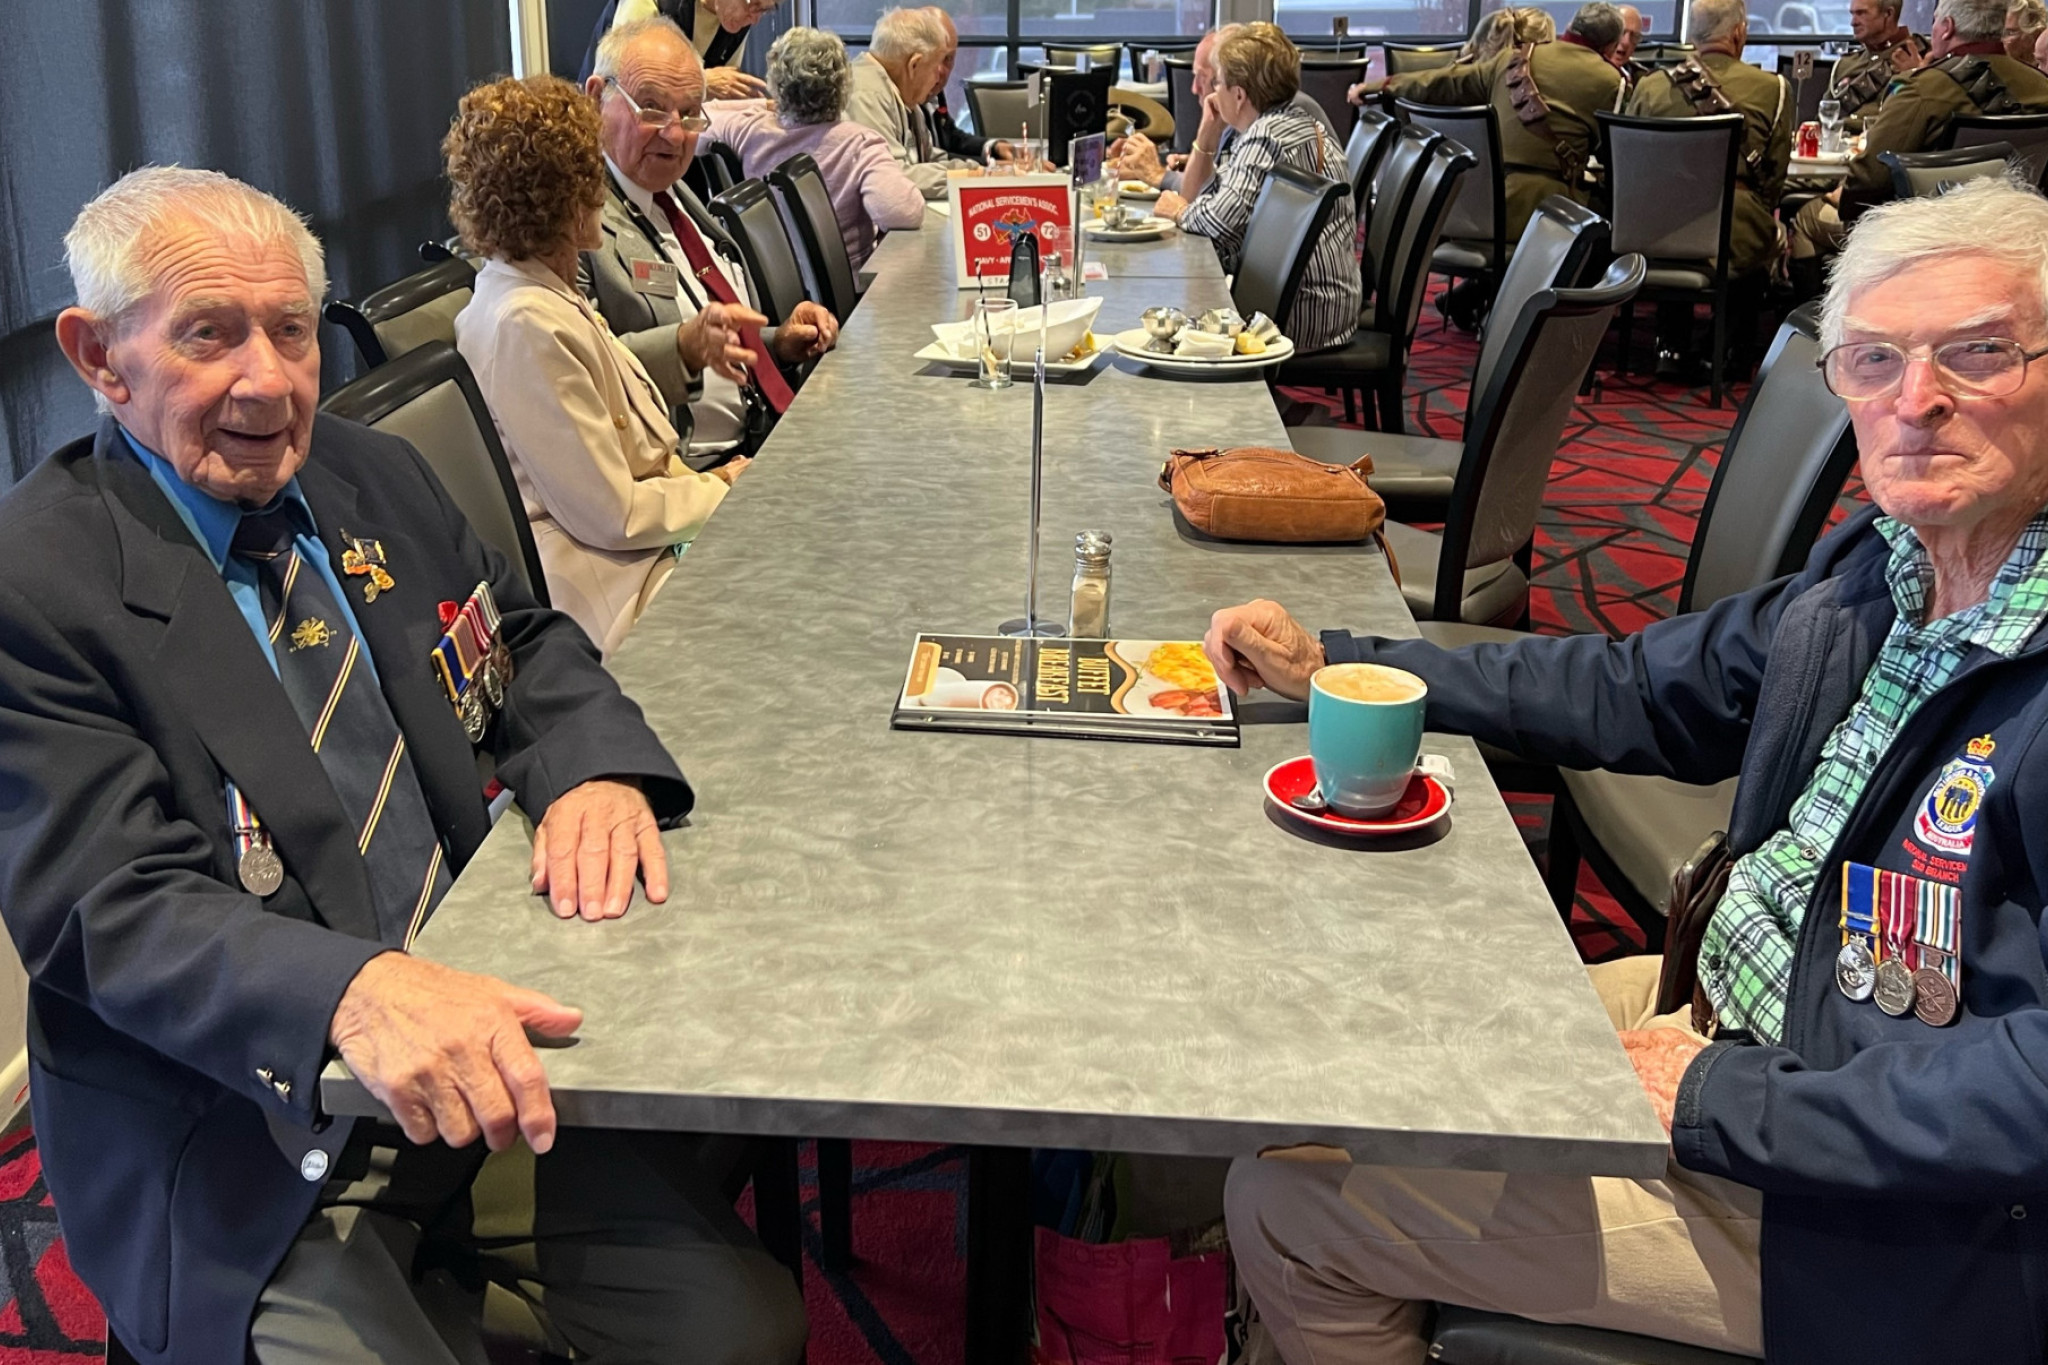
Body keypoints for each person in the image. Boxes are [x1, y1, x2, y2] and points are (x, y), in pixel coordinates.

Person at [1208, 175, 2048, 1365]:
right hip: (1730, 1022)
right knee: (1349, 1056)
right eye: (1871, 361)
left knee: (1290, 1202)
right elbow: (1642, 688)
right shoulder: (1885, 562)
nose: (1915, 401)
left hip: (1877, 1229)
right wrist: (1344, 668)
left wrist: (1718, 1101)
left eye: (1977, 353)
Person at [15, 164, 807, 1363]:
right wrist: (350, 990)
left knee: (737, 1335)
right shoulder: (35, 585)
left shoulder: (364, 471)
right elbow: (110, 909)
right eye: (208, 335)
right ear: (98, 355)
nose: (268, 382)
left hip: (479, 1046)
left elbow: (521, 642)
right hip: (245, 1128)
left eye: (289, 330)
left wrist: (586, 769)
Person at [451, 76, 741, 658]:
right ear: (559, 199)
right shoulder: (524, 324)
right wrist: (724, 487)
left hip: (643, 550)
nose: (602, 194)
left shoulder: (543, 294)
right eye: (591, 177)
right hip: (613, 591)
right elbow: (614, 516)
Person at [581, 16, 840, 469]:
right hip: (696, 472)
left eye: (688, 113)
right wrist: (683, 346)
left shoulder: (676, 193)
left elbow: (706, 327)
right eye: (652, 108)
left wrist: (776, 342)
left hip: (767, 437)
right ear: (598, 97)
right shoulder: (572, 226)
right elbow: (585, 377)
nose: (675, 133)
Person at [1789, 0, 2048, 274]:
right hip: (2018, 229)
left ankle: (1819, 314)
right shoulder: (2040, 86)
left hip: (1929, 234)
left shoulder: (1920, 89)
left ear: (1946, 28)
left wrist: (1838, 197)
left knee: (1805, 218)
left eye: (1935, 21)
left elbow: (1868, 181)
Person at [1159, 24, 1361, 354]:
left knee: (1173, 326)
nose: (1212, 93)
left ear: (1239, 95)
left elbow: (1218, 223)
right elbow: (1220, 199)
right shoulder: (1290, 121)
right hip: (1323, 303)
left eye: (1219, 83)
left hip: (1299, 315)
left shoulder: (1266, 136)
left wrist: (1179, 210)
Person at [1361, 3, 1627, 242]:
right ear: (1610, 46)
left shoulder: (1513, 58)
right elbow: (1615, 158)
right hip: (1550, 217)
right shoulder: (1612, 81)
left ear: (1570, 26)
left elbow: (1446, 82)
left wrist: (1383, 84)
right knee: (1608, 230)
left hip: (1473, 206)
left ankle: (1480, 289)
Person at [1626, 0, 1791, 369]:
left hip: (1652, 232)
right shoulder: (1773, 89)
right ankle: (1730, 349)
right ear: (1738, 32)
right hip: (1731, 233)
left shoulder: (1649, 87)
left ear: (1690, 35)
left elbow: (1628, 167)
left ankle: (1670, 343)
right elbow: (1774, 181)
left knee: (1676, 208)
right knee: (1762, 234)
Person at [703, 27, 925, 271]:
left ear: (776, 81)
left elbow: (698, 119)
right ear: (843, 83)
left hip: (768, 279)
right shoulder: (860, 143)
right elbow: (901, 211)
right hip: (847, 290)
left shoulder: (747, 128)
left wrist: (761, 105)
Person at [1121, 25, 1338, 193]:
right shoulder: (1257, 115)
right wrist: (1196, 161)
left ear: (1237, 88)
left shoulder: (1271, 122)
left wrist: (1158, 176)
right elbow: (1230, 178)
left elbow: (1215, 209)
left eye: (1207, 78)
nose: (1194, 88)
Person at [845, 6, 981, 200]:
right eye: (936, 67)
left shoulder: (902, 95)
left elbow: (927, 158)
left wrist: (979, 172)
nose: (938, 78)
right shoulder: (866, 95)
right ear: (914, 65)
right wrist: (969, 178)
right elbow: (893, 178)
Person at [575, 0, 778, 99]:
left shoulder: (739, 17)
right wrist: (703, 83)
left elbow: (725, 90)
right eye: (754, 4)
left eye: (767, 9)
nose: (756, 18)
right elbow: (622, 86)